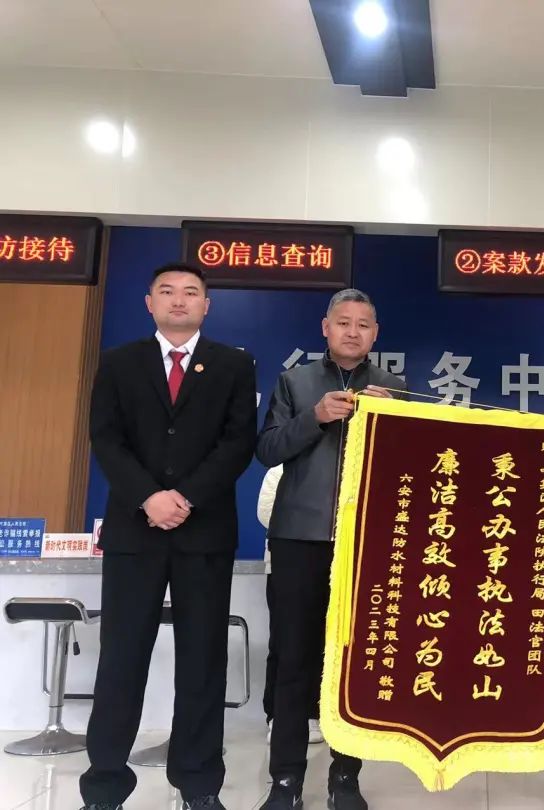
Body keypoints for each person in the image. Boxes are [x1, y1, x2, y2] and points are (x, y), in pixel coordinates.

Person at [80, 263, 257, 810]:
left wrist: (186, 498)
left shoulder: (234, 365)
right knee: (121, 658)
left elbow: (238, 443)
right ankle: (105, 787)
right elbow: (106, 439)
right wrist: (148, 497)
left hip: (204, 533)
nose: (179, 300)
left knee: (202, 661)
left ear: (207, 305)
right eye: (167, 291)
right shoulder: (119, 362)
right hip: (135, 532)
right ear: (149, 302)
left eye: (191, 292)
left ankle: (199, 785)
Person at [256, 289, 405, 810]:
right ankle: (285, 781)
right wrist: (315, 417)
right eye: (343, 322)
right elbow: (267, 449)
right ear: (326, 328)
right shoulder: (295, 382)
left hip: (367, 545)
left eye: (363, 324)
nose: (352, 332)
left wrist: (397, 425)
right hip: (298, 538)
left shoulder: (394, 388)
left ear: (375, 334)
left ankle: (346, 778)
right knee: (293, 660)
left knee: (353, 665)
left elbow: (414, 468)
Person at [255, 464, 323, 746]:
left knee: (321, 642)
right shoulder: (280, 470)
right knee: (284, 643)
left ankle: (313, 713)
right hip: (284, 566)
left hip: (329, 567)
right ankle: (277, 715)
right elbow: (265, 514)